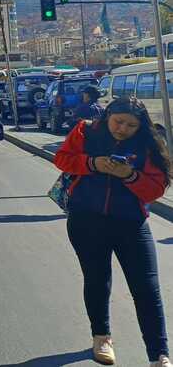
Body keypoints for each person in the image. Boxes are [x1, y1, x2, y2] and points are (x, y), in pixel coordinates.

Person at [54, 97, 172, 367]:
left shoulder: (148, 144)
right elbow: (62, 159)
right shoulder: (85, 131)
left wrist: (129, 176)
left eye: (131, 125)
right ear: (107, 115)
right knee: (97, 279)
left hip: (131, 223)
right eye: (118, 122)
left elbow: (156, 189)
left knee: (147, 287)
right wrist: (93, 164)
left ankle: (159, 354)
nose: (122, 129)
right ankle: (101, 337)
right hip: (86, 220)